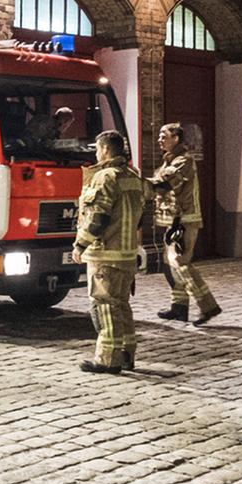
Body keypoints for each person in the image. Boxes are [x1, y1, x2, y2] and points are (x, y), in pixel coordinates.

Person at [71, 130, 150, 373]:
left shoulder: (105, 177)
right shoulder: (133, 177)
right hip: (126, 254)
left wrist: (80, 244)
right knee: (121, 305)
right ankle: (127, 355)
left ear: (105, 149)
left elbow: (98, 218)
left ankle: (108, 359)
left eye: (97, 148)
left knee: (104, 306)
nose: (96, 153)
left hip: (105, 255)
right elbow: (141, 216)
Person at [150, 122, 222, 325]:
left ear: (177, 139)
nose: (160, 139)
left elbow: (165, 184)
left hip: (184, 220)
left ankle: (208, 305)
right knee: (169, 265)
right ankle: (179, 308)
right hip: (172, 220)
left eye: (164, 135)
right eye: (159, 136)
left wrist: (137, 184)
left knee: (180, 263)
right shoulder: (169, 160)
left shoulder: (184, 161)